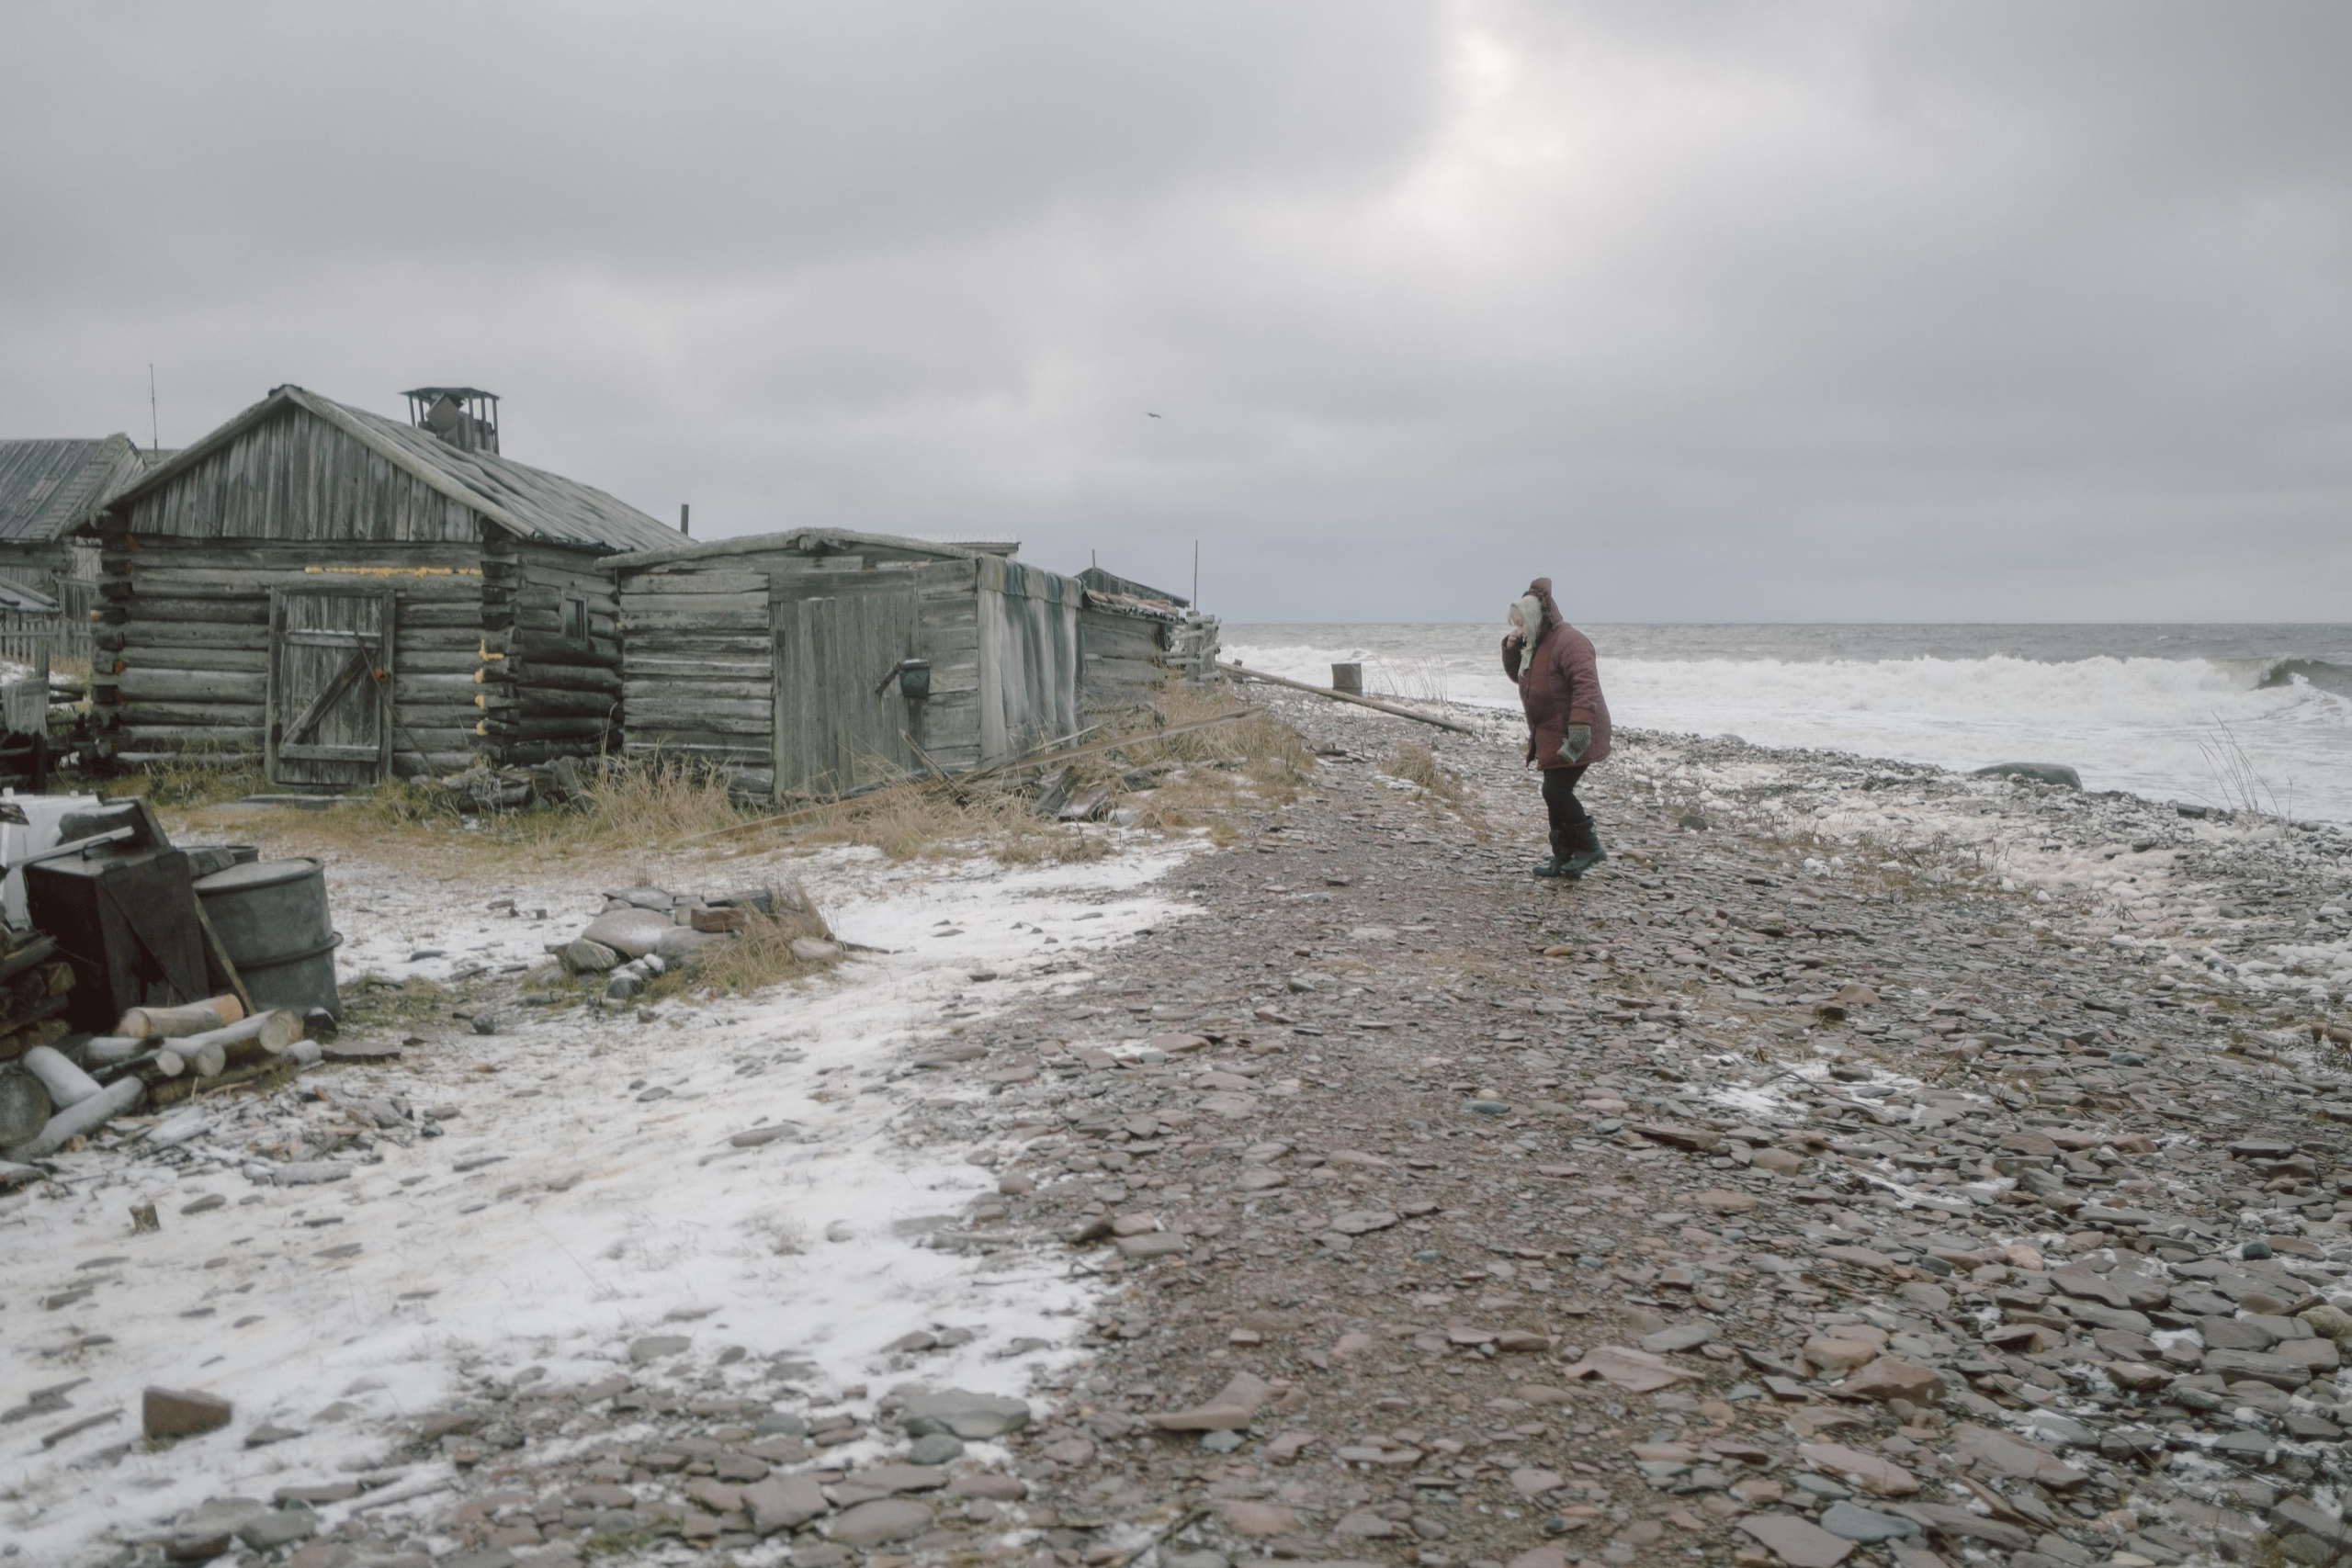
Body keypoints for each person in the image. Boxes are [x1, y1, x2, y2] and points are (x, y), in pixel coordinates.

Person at [1500, 577, 1611, 878]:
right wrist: (1512, 648)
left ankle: (1589, 847)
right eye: (1516, 624)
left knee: (1555, 791)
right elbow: (1519, 676)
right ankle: (1563, 858)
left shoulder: (1569, 641)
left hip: (1578, 730)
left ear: (1536, 619)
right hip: (1551, 732)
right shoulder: (1536, 643)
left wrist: (1578, 730)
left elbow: (1586, 686)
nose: (1518, 630)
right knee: (1552, 794)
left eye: (1521, 624)